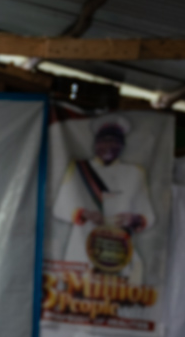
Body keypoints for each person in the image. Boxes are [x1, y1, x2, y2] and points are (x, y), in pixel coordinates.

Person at [50, 119, 154, 282]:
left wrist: (134, 218)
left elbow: (148, 214)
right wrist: (84, 213)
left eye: (114, 141)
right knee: (81, 293)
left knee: (119, 293)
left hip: (118, 249)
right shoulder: (80, 169)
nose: (108, 145)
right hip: (84, 248)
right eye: (104, 140)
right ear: (96, 144)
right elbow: (59, 207)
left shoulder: (135, 173)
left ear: (122, 146)